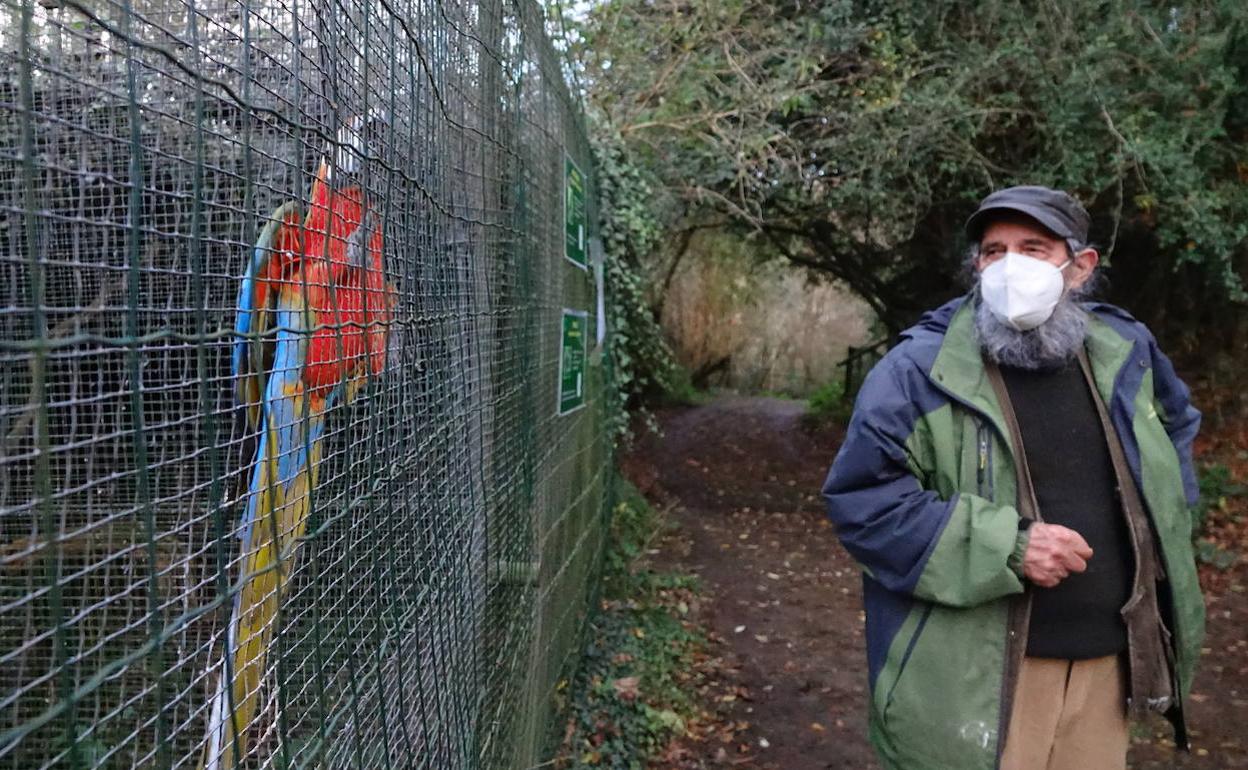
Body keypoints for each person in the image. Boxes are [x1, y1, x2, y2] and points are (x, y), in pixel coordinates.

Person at [820, 185, 1205, 770]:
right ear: (976, 266)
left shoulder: (1126, 350)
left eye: (1033, 247)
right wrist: (1010, 546)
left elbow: (1174, 430)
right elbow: (865, 502)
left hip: (1108, 666)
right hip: (981, 676)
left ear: (1079, 267)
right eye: (994, 251)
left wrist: (1164, 530)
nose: (1009, 267)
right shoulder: (917, 371)